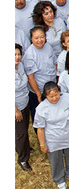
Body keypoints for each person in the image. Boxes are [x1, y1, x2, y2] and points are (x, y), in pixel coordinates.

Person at [34, 82, 69, 189]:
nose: (54, 98)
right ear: (46, 96)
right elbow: (40, 128)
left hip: (68, 134)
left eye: (56, 95)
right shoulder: (41, 108)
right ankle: (59, 178)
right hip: (53, 138)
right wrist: (42, 144)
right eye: (51, 97)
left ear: (60, 92)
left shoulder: (67, 98)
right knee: (55, 159)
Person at [15, 44, 33, 172]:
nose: (17, 57)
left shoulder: (20, 65)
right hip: (16, 107)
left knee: (25, 128)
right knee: (20, 133)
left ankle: (26, 147)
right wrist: (15, 110)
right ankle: (22, 158)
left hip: (25, 101)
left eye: (18, 54)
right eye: (14, 55)